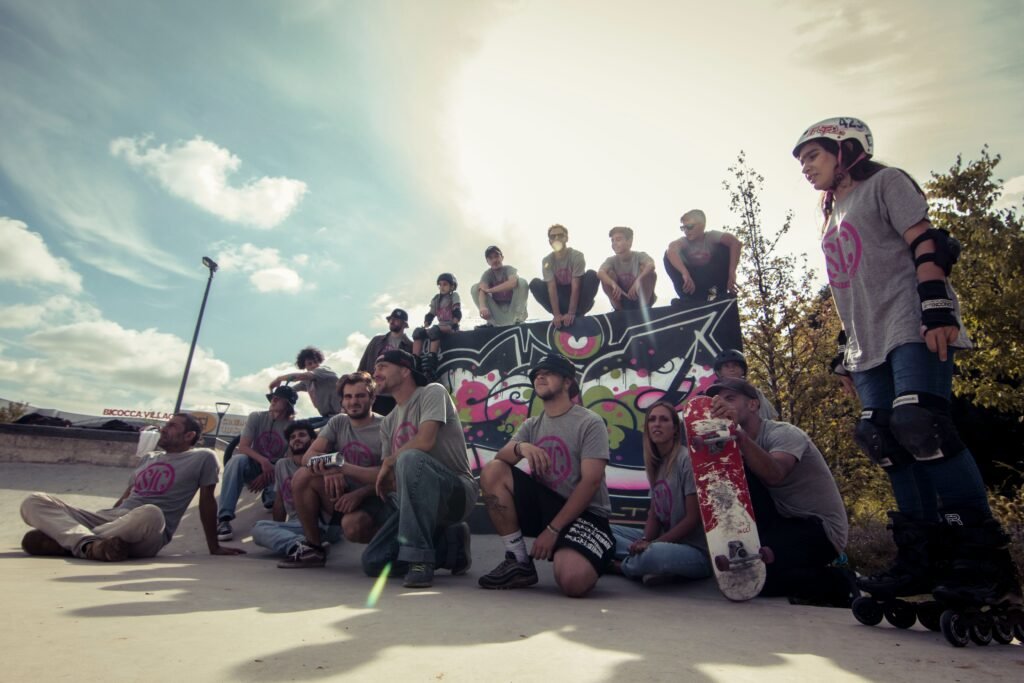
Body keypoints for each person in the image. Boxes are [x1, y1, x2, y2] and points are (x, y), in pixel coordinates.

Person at [792, 116, 1020, 605]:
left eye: (812, 155)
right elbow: (850, 284)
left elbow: (927, 241)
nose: (805, 167)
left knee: (921, 424)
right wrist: (843, 350)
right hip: (865, 340)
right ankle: (923, 557)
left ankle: (983, 558)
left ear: (846, 148)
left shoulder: (886, 183)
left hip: (911, 320)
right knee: (883, 438)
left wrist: (936, 304)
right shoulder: (830, 212)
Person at [477, 353, 615, 597]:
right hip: (545, 505)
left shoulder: (590, 422)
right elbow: (500, 457)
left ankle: (604, 555)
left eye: (548, 372)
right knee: (494, 470)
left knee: (572, 582)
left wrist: (553, 531)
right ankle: (519, 561)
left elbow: (591, 482)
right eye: (536, 374)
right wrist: (522, 447)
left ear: (567, 381)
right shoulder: (531, 425)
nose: (539, 376)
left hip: (586, 515)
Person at [707, 378, 855, 605]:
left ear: (753, 405)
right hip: (781, 521)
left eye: (731, 398)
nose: (723, 404)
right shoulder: (734, 445)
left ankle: (838, 581)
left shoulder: (785, 433)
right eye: (719, 400)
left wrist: (738, 434)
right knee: (743, 577)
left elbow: (775, 475)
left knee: (761, 580)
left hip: (820, 529)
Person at [20, 413, 246, 560]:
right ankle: (90, 545)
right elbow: (126, 496)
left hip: (149, 530)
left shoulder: (202, 457)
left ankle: (68, 541)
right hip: (114, 521)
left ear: (189, 435)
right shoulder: (149, 457)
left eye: (172, 426)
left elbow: (207, 501)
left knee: (150, 512)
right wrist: (111, 516)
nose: (164, 429)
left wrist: (213, 546)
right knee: (34, 501)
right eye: (165, 424)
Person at [362, 350, 476, 588]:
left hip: (455, 493)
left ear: (405, 370)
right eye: (375, 369)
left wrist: (390, 461)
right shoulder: (388, 423)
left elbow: (425, 441)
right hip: (413, 503)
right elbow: (390, 478)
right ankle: (450, 547)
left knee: (410, 458)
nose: (376, 373)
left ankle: (420, 559)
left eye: (382, 366)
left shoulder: (432, 392)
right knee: (373, 562)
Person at [277, 372, 390, 568]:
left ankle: (395, 543)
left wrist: (360, 493)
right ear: (342, 401)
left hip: (376, 496)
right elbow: (308, 457)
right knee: (303, 476)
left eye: (360, 396)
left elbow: (389, 476)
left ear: (372, 398)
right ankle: (314, 548)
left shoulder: (386, 426)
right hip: (341, 492)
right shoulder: (339, 422)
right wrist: (330, 470)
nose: (353, 401)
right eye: (348, 396)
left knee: (352, 527)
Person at [611, 401, 711, 585]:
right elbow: (654, 515)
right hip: (663, 541)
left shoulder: (686, 460)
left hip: (694, 551)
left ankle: (619, 566)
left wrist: (652, 545)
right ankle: (644, 565)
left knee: (654, 556)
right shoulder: (656, 463)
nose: (657, 424)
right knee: (604, 531)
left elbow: (692, 519)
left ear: (675, 430)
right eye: (652, 420)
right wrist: (644, 540)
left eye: (664, 419)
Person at [216, 386, 296, 541]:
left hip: (275, 470)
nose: (274, 400)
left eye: (279, 399)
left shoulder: (292, 426)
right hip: (254, 464)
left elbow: (289, 459)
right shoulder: (257, 417)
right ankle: (224, 519)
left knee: (283, 474)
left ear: (288, 405)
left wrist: (269, 471)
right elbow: (243, 447)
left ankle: (269, 495)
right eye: (273, 397)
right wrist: (263, 461)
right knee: (236, 460)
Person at [250, 421, 329, 557]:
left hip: (319, 524)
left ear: (313, 440)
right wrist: (277, 529)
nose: (296, 438)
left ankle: (309, 546)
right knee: (259, 530)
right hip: (295, 525)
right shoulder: (282, 465)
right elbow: (280, 501)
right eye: (292, 437)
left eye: (302, 435)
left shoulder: (321, 462)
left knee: (259, 527)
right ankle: (303, 546)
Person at [664, 210, 741, 306]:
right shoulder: (684, 242)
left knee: (724, 248)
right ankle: (686, 298)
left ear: (702, 225)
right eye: (683, 228)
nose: (686, 231)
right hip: (693, 285)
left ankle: (719, 294)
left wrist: (732, 273)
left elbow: (735, 243)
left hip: (711, 283)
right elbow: (671, 250)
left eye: (690, 227)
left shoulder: (711, 236)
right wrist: (685, 273)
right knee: (667, 256)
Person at [528, 224, 599, 328]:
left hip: (578, 299)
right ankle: (560, 315)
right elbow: (551, 288)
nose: (556, 238)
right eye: (553, 236)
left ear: (566, 238)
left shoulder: (576, 256)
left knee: (592, 275)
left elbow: (576, 287)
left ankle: (578, 314)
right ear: (549, 241)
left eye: (560, 235)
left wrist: (571, 313)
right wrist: (556, 315)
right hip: (560, 298)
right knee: (535, 283)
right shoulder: (547, 260)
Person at [358, 308, 414, 415]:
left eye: (396, 319)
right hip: (374, 393)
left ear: (404, 324)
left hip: (395, 397)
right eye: (390, 319)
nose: (392, 321)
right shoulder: (377, 341)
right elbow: (364, 365)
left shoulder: (410, 346)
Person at [412, 273, 462, 381]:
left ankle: (430, 367)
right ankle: (415, 363)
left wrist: (454, 323)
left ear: (452, 286)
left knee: (434, 331)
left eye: (445, 284)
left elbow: (457, 311)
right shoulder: (436, 299)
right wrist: (425, 325)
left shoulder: (454, 296)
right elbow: (431, 314)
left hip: (450, 326)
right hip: (440, 326)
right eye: (440, 285)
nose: (442, 287)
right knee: (417, 332)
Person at [269, 346, 340, 420]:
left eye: (316, 362)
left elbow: (300, 376)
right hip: (327, 417)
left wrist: (279, 379)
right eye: (309, 364)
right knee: (301, 425)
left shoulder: (323, 370)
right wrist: (273, 393)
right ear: (305, 366)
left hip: (342, 414)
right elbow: (289, 390)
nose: (313, 365)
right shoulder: (307, 382)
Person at [597, 227, 657, 311]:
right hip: (623, 298)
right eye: (612, 240)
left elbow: (651, 265)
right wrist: (613, 284)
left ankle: (644, 308)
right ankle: (619, 310)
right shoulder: (611, 260)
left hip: (640, 297)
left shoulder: (639, 255)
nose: (614, 243)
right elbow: (600, 272)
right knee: (607, 275)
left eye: (618, 240)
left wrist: (638, 281)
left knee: (650, 273)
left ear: (629, 241)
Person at [470, 245, 529, 326]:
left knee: (522, 282)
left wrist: (490, 290)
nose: (494, 260)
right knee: (475, 288)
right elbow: (482, 290)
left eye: (496, 256)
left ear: (502, 257)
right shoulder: (487, 274)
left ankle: (519, 319)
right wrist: (482, 307)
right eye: (490, 258)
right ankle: (491, 323)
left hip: (513, 310)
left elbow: (513, 283)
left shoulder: (509, 269)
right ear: (487, 261)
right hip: (498, 314)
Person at [712, 348, 778, 420]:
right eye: (726, 366)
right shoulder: (715, 394)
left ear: (743, 370)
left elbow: (768, 418)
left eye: (735, 365)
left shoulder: (754, 392)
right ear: (719, 372)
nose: (731, 369)